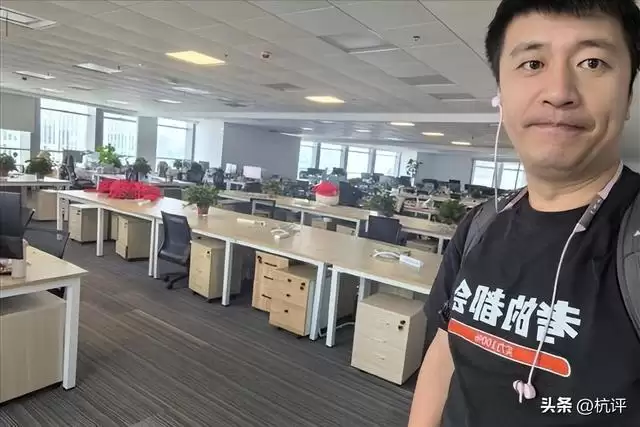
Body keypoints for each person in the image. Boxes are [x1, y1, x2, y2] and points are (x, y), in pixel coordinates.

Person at [408, 1, 640, 426]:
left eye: (592, 62)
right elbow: (445, 349)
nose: (559, 92)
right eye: (532, 63)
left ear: (628, 95)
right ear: (501, 95)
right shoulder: (480, 224)